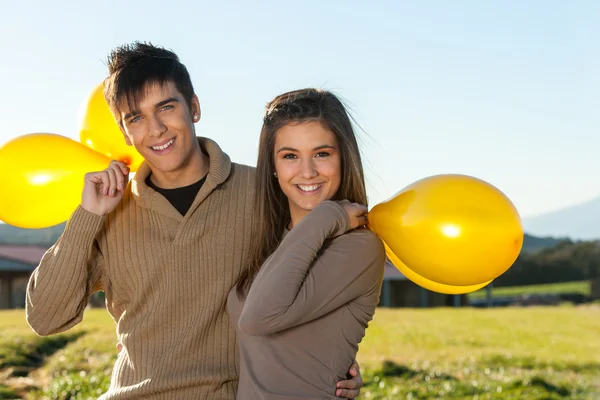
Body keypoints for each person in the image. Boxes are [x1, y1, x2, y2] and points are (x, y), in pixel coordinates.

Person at [25, 42, 363, 399]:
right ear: (125, 133)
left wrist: (333, 364)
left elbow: (313, 289)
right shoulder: (108, 213)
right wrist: (87, 216)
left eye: (166, 107)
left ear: (194, 107)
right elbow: (46, 318)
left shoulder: (265, 192)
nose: (155, 129)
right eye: (135, 118)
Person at [227, 88, 386, 399]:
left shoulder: (360, 248)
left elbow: (260, 317)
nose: (308, 171)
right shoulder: (267, 240)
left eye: (322, 153)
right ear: (272, 165)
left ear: (344, 157)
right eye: (290, 156)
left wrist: (328, 215)